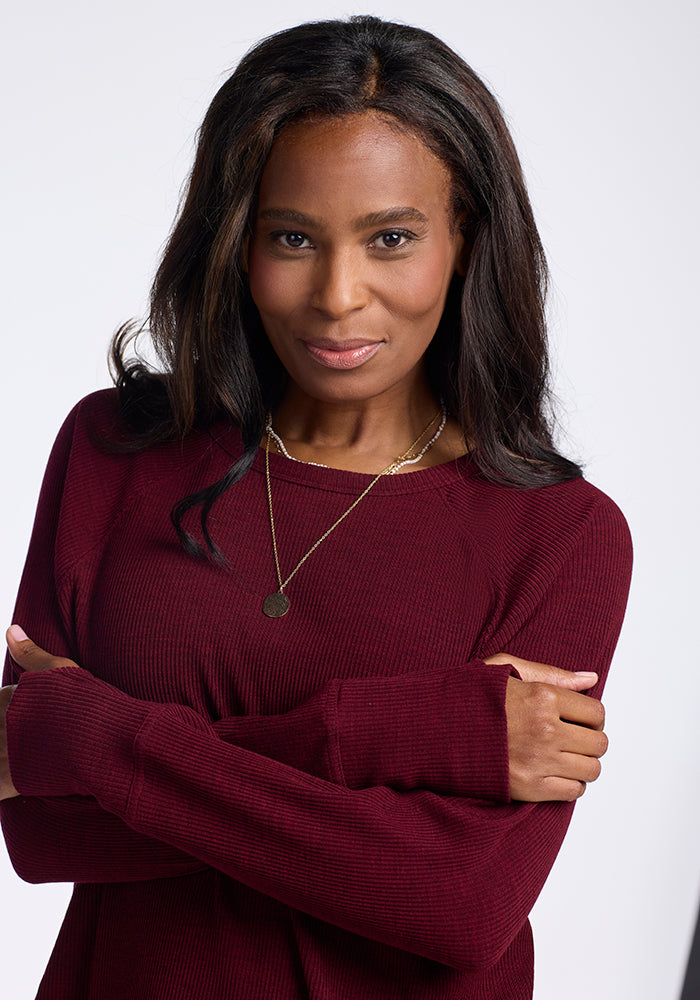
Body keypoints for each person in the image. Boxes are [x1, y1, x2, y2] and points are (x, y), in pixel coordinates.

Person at [0, 15, 632, 1000]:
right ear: (237, 244)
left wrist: (92, 737)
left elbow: (453, 903)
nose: (338, 295)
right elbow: (40, 828)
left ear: (463, 237)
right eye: (291, 237)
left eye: (390, 238)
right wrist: (414, 739)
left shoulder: (561, 534)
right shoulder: (112, 453)